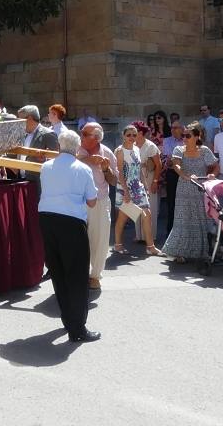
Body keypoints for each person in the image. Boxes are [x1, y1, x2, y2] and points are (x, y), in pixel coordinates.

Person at [39, 130, 99, 343]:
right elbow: (92, 201)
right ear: (76, 148)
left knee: (58, 271)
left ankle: (68, 319)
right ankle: (78, 327)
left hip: (47, 219)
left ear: (58, 147)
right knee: (77, 275)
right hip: (71, 222)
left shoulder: (45, 167)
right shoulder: (83, 169)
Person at [162, 122, 219, 263]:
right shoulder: (179, 149)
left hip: (201, 188)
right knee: (183, 220)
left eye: (188, 135)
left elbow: (216, 166)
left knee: (201, 219)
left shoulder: (205, 150)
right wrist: (184, 175)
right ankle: (179, 252)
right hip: (184, 188)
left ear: (197, 136)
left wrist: (212, 174)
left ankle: (204, 251)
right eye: (183, 136)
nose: (184, 138)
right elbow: (176, 164)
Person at [113, 125, 164, 257]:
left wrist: (145, 185)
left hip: (138, 186)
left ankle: (150, 247)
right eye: (129, 135)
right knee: (123, 217)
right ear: (123, 136)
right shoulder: (120, 151)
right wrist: (126, 192)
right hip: (126, 187)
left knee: (147, 214)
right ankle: (118, 245)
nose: (132, 137)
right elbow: (120, 173)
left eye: (134, 135)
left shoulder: (136, 149)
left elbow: (139, 169)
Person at [77, 123, 116, 290]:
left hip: (99, 200)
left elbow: (114, 181)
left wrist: (106, 170)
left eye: (85, 133)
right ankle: (79, 272)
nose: (81, 135)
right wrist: (86, 159)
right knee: (78, 239)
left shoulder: (107, 153)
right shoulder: (75, 148)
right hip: (76, 201)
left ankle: (95, 276)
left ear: (96, 138)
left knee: (100, 239)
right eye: (82, 132)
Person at [17, 105, 58, 200]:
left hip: (39, 184)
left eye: (20, 120)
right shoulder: (22, 134)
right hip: (22, 181)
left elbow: (57, 159)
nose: (19, 123)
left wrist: (45, 159)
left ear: (30, 118)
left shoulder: (48, 134)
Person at [133, 124, 163, 241]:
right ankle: (139, 235)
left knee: (150, 206)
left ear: (141, 132)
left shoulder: (150, 146)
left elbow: (158, 165)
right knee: (137, 206)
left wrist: (155, 181)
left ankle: (150, 236)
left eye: (135, 131)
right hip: (135, 177)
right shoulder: (133, 145)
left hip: (148, 177)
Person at [161, 121, 186, 234]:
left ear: (182, 128)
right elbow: (169, 160)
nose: (173, 130)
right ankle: (170, 231)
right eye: (172, 128)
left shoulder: (187, 139)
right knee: (172, 203)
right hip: (172, 174)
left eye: (176, 127)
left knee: (185, 203)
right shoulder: (167, 140)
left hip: (186, 173)